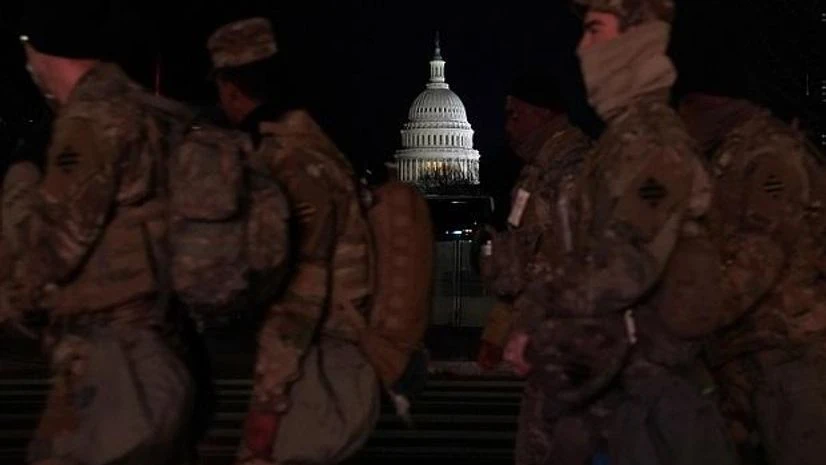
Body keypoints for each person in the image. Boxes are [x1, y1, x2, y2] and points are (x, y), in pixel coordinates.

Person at [506, 1, 739, 463]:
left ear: (639, 40)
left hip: (649, 399)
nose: (583, 48)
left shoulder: (652, 142)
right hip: (616, 389)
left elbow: (624, 264)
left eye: (596, 30)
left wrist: (541, 323)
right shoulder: (618, 145)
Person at [3, 1, 194, 464]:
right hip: (163, 349)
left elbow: (54, 250)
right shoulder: (150, 112)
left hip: (112, 367)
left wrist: (19, 193)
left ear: (40, 52)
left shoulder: (90, 121)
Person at [205, 17, 379, 465]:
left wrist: (268, 400)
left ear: (230, 86)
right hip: (327, 368)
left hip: (314, 372)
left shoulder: (293, 162)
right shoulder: (311, 150)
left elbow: (301, 292)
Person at [679, 91, 826, 465]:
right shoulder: (731, 154)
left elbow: (757, 260)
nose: (683, 114)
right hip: (750, 359)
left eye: (688, 101)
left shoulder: (769, 155)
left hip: (790, 357)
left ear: (718, 98)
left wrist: (681, 318)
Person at [477, 71, 596, 464]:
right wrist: (499, 330)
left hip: (570, 344)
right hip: (545, 343)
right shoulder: (536, 173)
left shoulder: (573, 170)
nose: (507, 127)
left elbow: (568, 265)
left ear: (541, 114)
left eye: (514, 115)